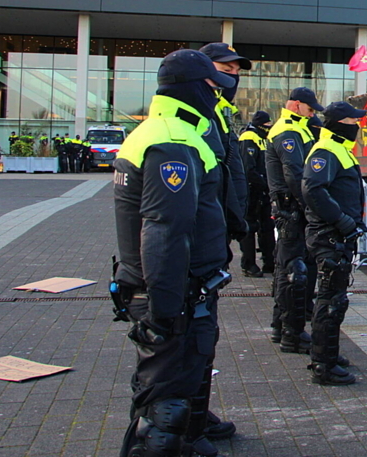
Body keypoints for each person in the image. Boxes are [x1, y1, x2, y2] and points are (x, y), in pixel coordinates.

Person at [111, 49, 235, 457]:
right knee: (163, 409)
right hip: (172, 294)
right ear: (193, 89)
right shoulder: (172, 139)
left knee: (177, 386)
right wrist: (164, 313)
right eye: (212, 88)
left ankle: (188, 441)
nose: (217, 97)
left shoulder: (168, 131)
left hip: (182, 290)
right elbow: (164, 230)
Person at [302, 101, 367, 385]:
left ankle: (326, 352)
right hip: (330, 235)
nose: (359, 127)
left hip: (337, 234)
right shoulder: (327, 150)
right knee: (330, 300)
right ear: (340, 123)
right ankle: (323, 365)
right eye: (354, 122)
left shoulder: (339, 149)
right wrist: (342, 221)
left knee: (334, 299)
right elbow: (313, 189)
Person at [265, 87, 326, 354]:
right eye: (310, 109)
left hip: (291, 208)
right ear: (296, 105)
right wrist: (309, 205)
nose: (313, 113)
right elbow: (294, 173)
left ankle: (283, 326)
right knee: (293, 271)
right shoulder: (288, 130)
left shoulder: (295, 127)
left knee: (287, 268)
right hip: (292, 209)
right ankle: (291, 332)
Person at [198, 42, 251, 254]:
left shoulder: (220, 113)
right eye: (226, 70)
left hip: (221, 224)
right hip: (207, 225)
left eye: (236, 72)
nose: (233, 78)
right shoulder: (201, 115)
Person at [237, 111, 274, 278]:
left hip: (264, 190)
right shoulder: (248, 138)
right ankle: (249, 264)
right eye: (266, 126)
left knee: (267, 227)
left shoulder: (263, 138)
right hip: (252, 190)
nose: (269, 128)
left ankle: (269, 262)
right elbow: (248, 169)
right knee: (250, 226)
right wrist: (265, 183)